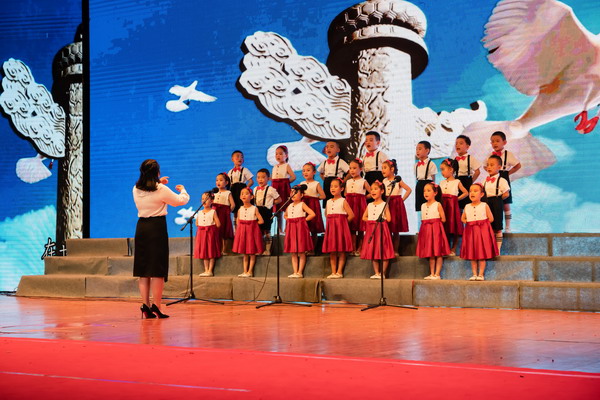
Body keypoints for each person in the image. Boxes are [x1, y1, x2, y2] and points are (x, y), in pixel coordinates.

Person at [132, 159, 189, 319]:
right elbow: (180, 201)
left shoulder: (136, 188)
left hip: (141, 228)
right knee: (157, 269)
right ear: (157, 173)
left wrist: (158, 182)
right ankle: (156, 305)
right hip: (156, 228)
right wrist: (183, 190)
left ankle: (145, 305)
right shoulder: (161, 189)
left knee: (143, 270)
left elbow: (150, 190)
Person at [460, 183, 499, 280]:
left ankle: (481, 274)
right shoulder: (467, 206)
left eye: (475, 191)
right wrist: (469, 222)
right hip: (471, 232)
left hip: (481, 232)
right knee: (472, 253)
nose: (472, 193)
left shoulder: (484, 205)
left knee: (481, 253)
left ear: (481, 194)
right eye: (470, 191)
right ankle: (474, 274)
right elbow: (463, 218)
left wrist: (482, 224)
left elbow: (491, 218)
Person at [360, 181, 394, 279]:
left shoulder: (384, 204)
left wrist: (381, 220)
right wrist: (371, 220)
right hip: (372, 229)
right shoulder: (370, 205)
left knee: (383, 250)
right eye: (371, 189)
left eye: (375, 189)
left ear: (382, 191)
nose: (373, 191)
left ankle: (383, 273)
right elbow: (364, 217)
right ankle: (376, 273)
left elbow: (389, 218)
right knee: (373, 250)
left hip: (381, 229)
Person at [416, 183, 450, 280]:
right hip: (426, 230)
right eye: (424, 191)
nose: (425, 193)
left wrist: (435, 223)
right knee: (430, 253)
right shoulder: (423, 205)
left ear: (435, 193)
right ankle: (432, 273)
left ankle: (437, 274)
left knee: (438, 252)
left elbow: (443, 219)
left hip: (436, 230)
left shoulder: (437, 204)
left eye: (428, 190)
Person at [322, 178, 354, 278]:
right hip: (331, 229)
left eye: (336, 186)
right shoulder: (328, 202)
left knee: (341, 250)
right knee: (332, 251)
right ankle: (333, 272)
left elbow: (351, 215)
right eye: (331, 186)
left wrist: (343, 224)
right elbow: (326, 214)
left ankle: (339, 272)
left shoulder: (343, 201)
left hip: (340, 229)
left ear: (342, 189)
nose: (333, 188)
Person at [490, 131, 521, 232]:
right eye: (492, 141)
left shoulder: (508, 154)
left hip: (503, 176)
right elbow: (485, 165)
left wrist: (507, 173)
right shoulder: (491, 155)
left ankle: (508, 226)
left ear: (504, 142)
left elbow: (518, 165)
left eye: (497, 141)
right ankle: (495, 226)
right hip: (493, 178)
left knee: (506, 203)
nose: (495, 143)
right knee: (494, 202)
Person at [232, 188, 264, 277]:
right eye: (242, 193)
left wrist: (252, 225)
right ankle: (245, 271)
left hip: (251, 232)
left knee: (252, 252)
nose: (244, 195)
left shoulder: (254, 208)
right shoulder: (240, 209)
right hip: (243, 232)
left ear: (252, 197)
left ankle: (250, 271)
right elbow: (238, 221)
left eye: (246, 193)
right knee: (245, 253)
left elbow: (261, 221)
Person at [381, 159, 412, 255]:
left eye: (385, 168)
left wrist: (401, 200)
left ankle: (395, 250)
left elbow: (409, 189)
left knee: (395, 229)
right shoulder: (384, 181)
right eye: (382, 168)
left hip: (396, 205)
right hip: (387, 204)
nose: (383, 170)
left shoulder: (398, 180)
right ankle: (388, 250)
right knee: (387, 228)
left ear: (392, 169)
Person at [284, 188, 316, 278]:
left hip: (300, 228)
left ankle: (300, 272)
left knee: (301, 251)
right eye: (292, 192)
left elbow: (312, 214)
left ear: (301, 195)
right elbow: (285, 215)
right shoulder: (289, 205)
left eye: (295, 193)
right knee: (293, 252)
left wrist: (303, 221)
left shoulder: (302, 204)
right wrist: (289, 219)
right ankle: (295, 271)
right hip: (291, 228)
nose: (293, 194)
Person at [439, 159, 468, 256]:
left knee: (454, 227)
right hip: (443, 206)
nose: (442, 172)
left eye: (443, 169)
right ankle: (446, 247)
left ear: (451, 170)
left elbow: (466, 192)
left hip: (452, 207)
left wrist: (456, 199)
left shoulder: (457, 181)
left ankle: (454, 248)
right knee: (445, 226)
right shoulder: (441, 183)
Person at [483, 155, 510, 253]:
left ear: (499, 167)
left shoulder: (502, 180)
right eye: (488, 165)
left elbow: (506, 194)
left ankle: (498, 249)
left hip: (497, 202)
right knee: (488, 226)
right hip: (486, 203)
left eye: (492, 165)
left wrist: (498, 200)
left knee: (497, 227)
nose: (489, 167)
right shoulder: (484, 181)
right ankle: (489, 248)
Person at [345, 159, 370, 255]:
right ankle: (352, 248)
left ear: (361, 169)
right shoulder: (348, 182)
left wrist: (363, 198)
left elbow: (371, 192)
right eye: (350, 168)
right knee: (351, 228)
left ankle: (360, 248)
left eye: (354, 168)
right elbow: (345, 193)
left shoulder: (363, 181)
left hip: (360, 206)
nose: (352, 170)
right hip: (350, 206)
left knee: (360, 228)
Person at [253, 168, 281, 255]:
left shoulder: (271, 189)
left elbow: (279, 200)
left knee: (267, 230)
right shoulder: (255, 189)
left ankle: (267, 250)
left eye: (263, 177)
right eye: (258, 177)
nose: (260, 179)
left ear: (268, 178)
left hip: (266, 211)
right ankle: (260, 249)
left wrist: (270, 203)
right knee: (258, 231)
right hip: (257, 211)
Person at [299, 162, 326, 252]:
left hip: (313, 206)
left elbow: (323, 196)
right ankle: (305, 247)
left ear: (314, 172)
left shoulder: (316, 183)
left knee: (314, 228)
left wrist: (314, 198)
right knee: (305, 227)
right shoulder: (302, 183)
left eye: (308, 170)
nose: (305, 172)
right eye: (303, 171)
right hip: (304, 205)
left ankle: (312, 248)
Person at [194, 191, 221, 277]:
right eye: (202, 199)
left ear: (212, 201)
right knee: (204, 252)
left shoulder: (213, 211)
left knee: (211, 251)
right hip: (202, 234)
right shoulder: (199, 212)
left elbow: (218, 224)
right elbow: (197, 223)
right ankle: (206, 270)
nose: (204, 201)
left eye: (206, 199)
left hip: (210, 234)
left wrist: (211, 228)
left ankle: (210, 270)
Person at [271, 145, 295, 233]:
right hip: (276, 189)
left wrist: (285, 183)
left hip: (284, 189)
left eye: (281, 154)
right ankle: (280, 229)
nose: (278, 156)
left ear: (286, 155)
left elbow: (293, 177)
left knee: (286, 207)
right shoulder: (274, 167)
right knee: (278, 210)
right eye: (276, 154)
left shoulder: (286, 165)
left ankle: (287, 228)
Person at [318, 141, 349, 207]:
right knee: (328, 203)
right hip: (327, 184)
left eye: (331, 147)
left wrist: (343, 182)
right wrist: (326, 180)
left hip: (337, 183)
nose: (328, 149)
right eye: (327, 147)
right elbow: (321, 173)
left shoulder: (340, 162)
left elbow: (349, 172)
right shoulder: (324, 162)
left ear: (338, 150)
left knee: (338, 203)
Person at [454, 135, 481, 210]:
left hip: (466, 181)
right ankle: (459, 216)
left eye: (461, 143)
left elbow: (477, 171)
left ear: (467, 146)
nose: (457, 145)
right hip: (457, 181)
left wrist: (471, 181)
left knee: (467, 202)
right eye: (456, 143)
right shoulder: (455, 159)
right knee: (458, 203)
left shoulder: (470, 158)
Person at [228, 150, 254, 221]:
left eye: (242, 157)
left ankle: (242, 222)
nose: (240, 158)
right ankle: (235, 225)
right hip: (233, 190)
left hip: (241, 190)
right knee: (235, 208)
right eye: (237, 157)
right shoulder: (230, 172)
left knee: (242, 207)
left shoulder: (245, 170)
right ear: (232, 159)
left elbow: (251, 181)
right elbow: (229, 184)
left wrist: (246, 189)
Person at [213, 172, 235, 255]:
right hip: (215, 214)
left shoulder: (228, 193)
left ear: (226, 182)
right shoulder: (214, 193)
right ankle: (217, 249)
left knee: (224, 231)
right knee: (216, 231)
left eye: (221, 180)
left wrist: (228, 212)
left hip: (224, 214)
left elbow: (233, 205)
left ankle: (224, 250)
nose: (218, 182)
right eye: (217, 180)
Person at [414, 140, 437, 212]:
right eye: (416, 149)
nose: (417, 151)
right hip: (419, 185)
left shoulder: (431, 164)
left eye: (420, 149)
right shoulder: (416, 165)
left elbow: (433, 179)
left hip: (428, 185)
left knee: (429, 205)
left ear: (427, 150)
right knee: (420, 207)